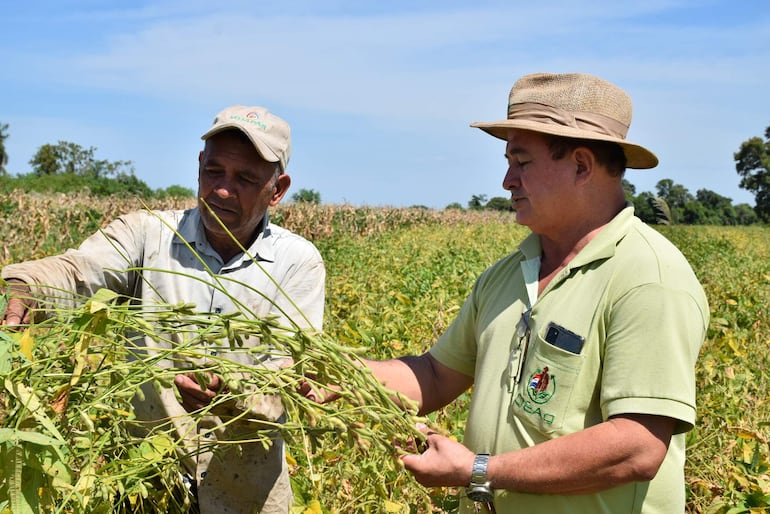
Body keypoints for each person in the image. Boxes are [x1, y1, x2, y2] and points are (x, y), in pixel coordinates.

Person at [329, 73, 708, 513]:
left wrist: (479, 470)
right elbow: (435, 375)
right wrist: (339, 375)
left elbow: (637, 446)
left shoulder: (647, 278)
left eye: (522, 162)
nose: (507, 180)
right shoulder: (510, 274)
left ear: (581, 166)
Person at [1, 105, 326, 513]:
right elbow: (76, 272)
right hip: (146, 484)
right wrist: (26, 287)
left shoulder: (298, 263)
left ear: (277, 190)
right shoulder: (147, 234)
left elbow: (293, 375)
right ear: (198, 167)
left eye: (245, 179)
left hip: (247, 495)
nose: (223, 190)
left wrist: (233, 395)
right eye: (214, 172)